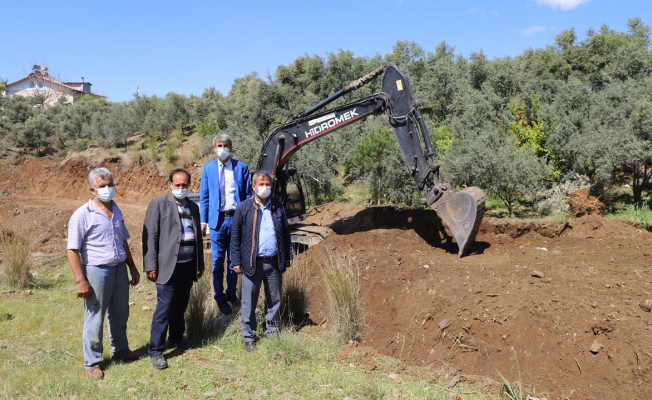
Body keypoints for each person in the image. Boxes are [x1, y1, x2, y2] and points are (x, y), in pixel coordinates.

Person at [67, 167, 141, 380]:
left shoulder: (116, 209)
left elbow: (123, 241)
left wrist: (132, 267)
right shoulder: (82, 215)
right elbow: (72, 250)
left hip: (118, 269)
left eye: (110, 185)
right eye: (102, 186)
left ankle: (121, 350)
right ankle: (92, 363)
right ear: (92, 189)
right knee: (95, 317)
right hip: (97, 271)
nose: (108, 189)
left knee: (120, 313)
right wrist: (80, 280)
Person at [142, 169, 205, 370]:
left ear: (189, 184)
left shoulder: (193, 207)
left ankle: (176, 339)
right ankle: (156, 350)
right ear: (170, 184)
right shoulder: (159, 204)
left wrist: (199, 264)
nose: (181, 188)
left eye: (184, 185)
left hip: (187, 266)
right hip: (166, 267)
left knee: (180, 306)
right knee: (164, 308)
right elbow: (150, 237)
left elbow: (197, 239)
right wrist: (151, 265)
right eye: (177, 185)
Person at [231, 170, 293, 352]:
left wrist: (288, 254)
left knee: (274, 299)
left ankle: (272, 332)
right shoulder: (244, 208)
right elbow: (235, 237)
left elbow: (286, 234)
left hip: (274, 262)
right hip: (252, 263)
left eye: (268, 184)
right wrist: (236, 260)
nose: (265, 187)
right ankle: (249, 337)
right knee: (249, 301)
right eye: (261, 184)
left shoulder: (278, 207)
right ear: (253, 186)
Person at [199, 134, 251, 316]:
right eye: (219, 145)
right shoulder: (208, 168)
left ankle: (231, 293)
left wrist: (247, 218)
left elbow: (246, 196)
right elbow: (204, 196)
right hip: (217, 221)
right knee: (217, 260)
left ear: (231, 147)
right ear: (214, 148)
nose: (223, 148)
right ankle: (219, 297)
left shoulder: (241, 167)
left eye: (226, 145)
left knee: (234, 260)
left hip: (236, 219)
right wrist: (203, 221)